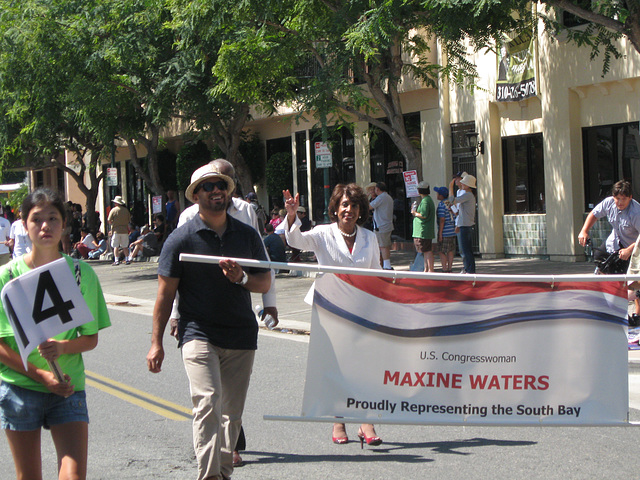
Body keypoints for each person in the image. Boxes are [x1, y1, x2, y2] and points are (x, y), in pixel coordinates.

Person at [146, 163, 271, 480]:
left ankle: (223, 473)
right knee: (207, 402)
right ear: (196, 195)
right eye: (209, 186)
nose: (217, 190)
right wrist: (156, 343)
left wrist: (241, 277)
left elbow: (264, 282)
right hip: (197, 333)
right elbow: (164, 295)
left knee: (231, 415)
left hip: (241, 336)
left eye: (222, 185)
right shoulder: (180, 240)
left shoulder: (246, 235)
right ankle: (210, 476)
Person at [0, 188, 110, 480]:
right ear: (24, 225)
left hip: (68, 387)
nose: (45, 225)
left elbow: (91, 338)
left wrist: (62, 348)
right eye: (37, 219)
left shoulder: (82, 274)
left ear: (65, 224)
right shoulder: (6, 278)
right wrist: (40, 375)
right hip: (19, 389)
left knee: (73, 475)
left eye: (53, 218)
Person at [282, 183, 383, 448]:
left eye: (354, 205)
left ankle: (366, 421)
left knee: (364, 367)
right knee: (337, 366)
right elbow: (295, 240)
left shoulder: (369, 238)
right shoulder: (322, 233)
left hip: (362, 309)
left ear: (361, 210)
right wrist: (292, 215)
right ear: (336, 209)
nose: (349, 210)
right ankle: (338, 421)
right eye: (344, 205)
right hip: (330, 308)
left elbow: (377, 275)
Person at [578, 180, 640, 323]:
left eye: (623, 199)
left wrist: (630, 250)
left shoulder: (636, 212)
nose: (619, 202)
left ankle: (637, 314)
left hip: (635, 247)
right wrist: (584, 230)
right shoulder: (609, 203)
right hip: (614, 243)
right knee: (600, 260)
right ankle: (603, 303)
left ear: (630, 197)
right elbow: (594, 213)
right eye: (617, 198)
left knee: (635, 280)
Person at [449, 173, 477, 274]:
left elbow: (452, 200)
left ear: (468, 185)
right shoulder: (468, 195)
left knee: (465, 250)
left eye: (464, 183)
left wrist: (450, 187)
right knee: (465, 250)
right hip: (464, 225)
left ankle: (469, 269)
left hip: (465, 225)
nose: (461, 184)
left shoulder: (468, 195)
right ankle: (467, 268)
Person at [369, 182, 394, 269]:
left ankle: (387, 265)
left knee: (383, 246)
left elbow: (370, 206)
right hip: (386, 224)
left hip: (381, 226)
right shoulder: (388, 197)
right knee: (384, 245)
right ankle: (384, 264)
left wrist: (367, 196)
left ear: (377, 189)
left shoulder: (381, 197)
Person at [411, 181, 435, 272]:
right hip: (424, 230)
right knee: (425, 251)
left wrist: (415, 213)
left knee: (427, 251)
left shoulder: (425, 201)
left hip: (423, 231)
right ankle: (426, 269)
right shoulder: (427, 200)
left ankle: (430, 270)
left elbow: (424, 215)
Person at [433, 186, 456, 273]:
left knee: (442, 251)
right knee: (450, 250)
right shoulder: (449, 204)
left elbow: (442, 219)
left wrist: (440, 233)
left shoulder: (441, 205)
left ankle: (444, 268)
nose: (437, 194)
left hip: (445, 231)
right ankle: (450, 267)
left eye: (438, 193)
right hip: (452, 231)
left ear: (441, 195)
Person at [107, 196, 131, 266]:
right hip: (124, 230)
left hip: (116, 231)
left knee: (116, 246)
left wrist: (113, 223)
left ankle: (116, 260)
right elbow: (129, 220)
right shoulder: (126, 210)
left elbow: (109, 220)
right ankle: (127, 259)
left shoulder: (114, 210)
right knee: (125, 246)